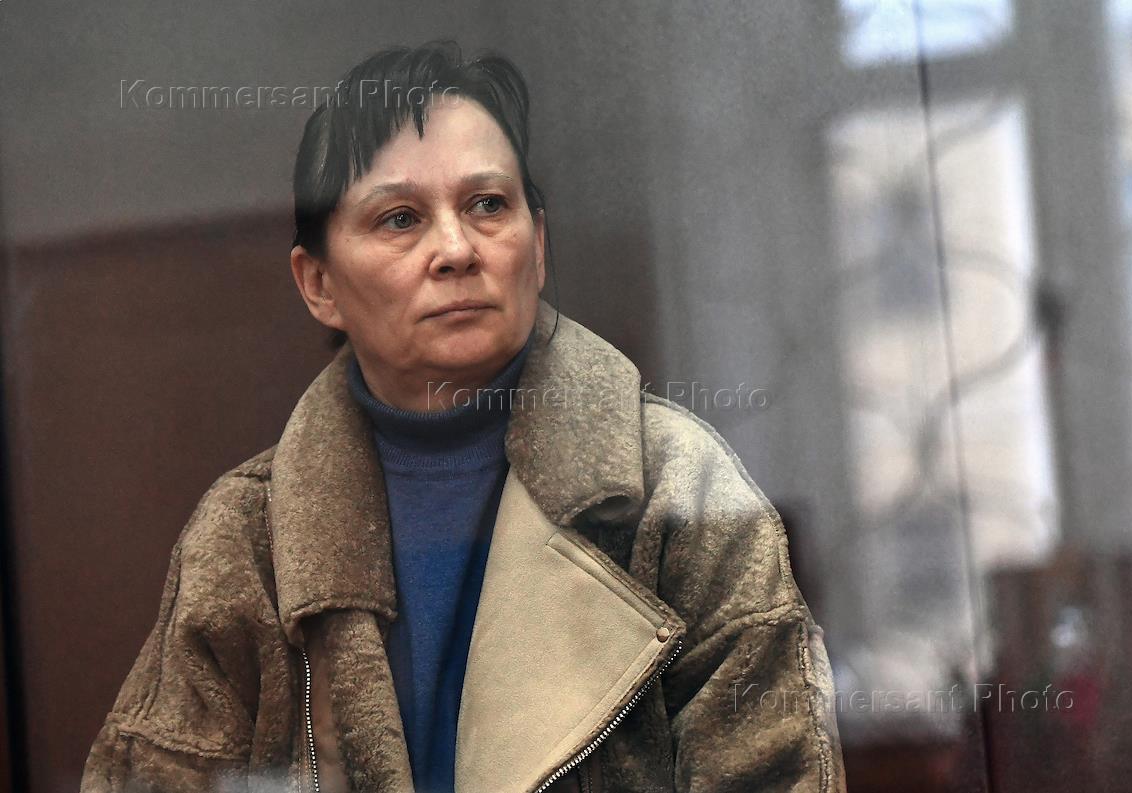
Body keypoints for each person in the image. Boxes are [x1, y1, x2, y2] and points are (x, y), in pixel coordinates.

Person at [81, 41, 846, 793]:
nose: (456, 249)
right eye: (399, 218)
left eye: (487, 206)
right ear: (318, 284)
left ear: (537, 247)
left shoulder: (679, 489)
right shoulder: (249, 535)